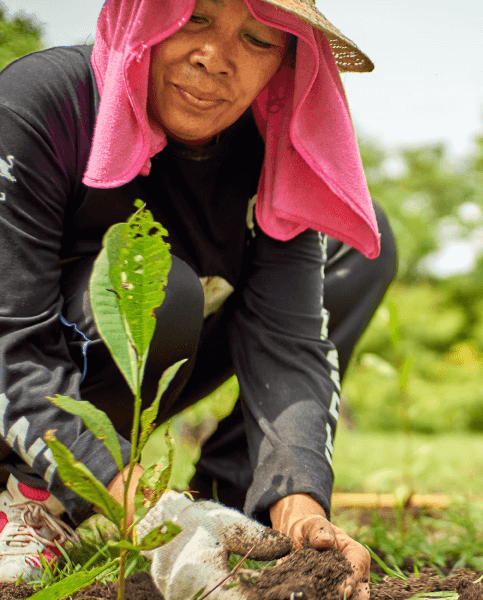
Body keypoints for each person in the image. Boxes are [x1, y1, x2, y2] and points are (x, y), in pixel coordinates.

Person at [0, 0, 397, 596]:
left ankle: (233, 504)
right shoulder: (44, 103)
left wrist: (302, 512)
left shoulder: (272, 149)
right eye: (195, 19)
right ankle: (30, 494)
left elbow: (287, 344)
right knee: (154, 284)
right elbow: (9, 337)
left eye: (260, 41)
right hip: (24, 383)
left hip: (148, 354)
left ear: (286, 63)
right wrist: (151, 512)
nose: (215, 59)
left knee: (364, 242)